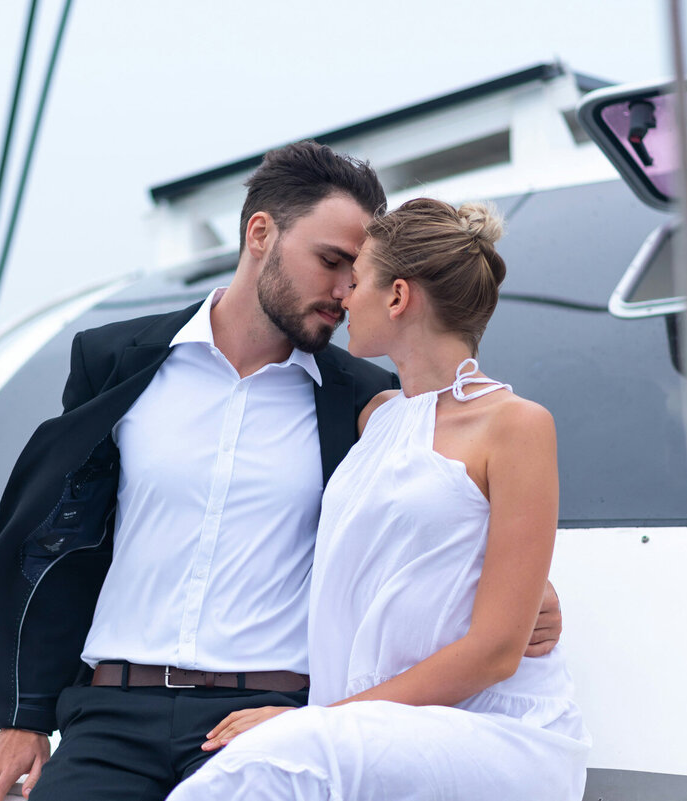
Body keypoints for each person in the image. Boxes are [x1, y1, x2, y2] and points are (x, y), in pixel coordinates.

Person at [0, 144, 564, 801]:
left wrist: (535, 587)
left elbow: (439, 489)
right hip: (108, 715)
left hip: (265, 720)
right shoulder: (116, 361)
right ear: (260, 233)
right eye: (332, 261)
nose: (342, 290)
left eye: (355, 272)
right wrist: (21, 715)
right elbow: (66, 545)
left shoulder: (362, 397)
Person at [168, 198, 589, 800]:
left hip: (491, 728)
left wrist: (318, 721)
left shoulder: (515, 424)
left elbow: (497, 650)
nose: (342, 296)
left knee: (270, 762)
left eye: (357, 279)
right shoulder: (378, 419)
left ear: (396, 297)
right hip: (367, 727)